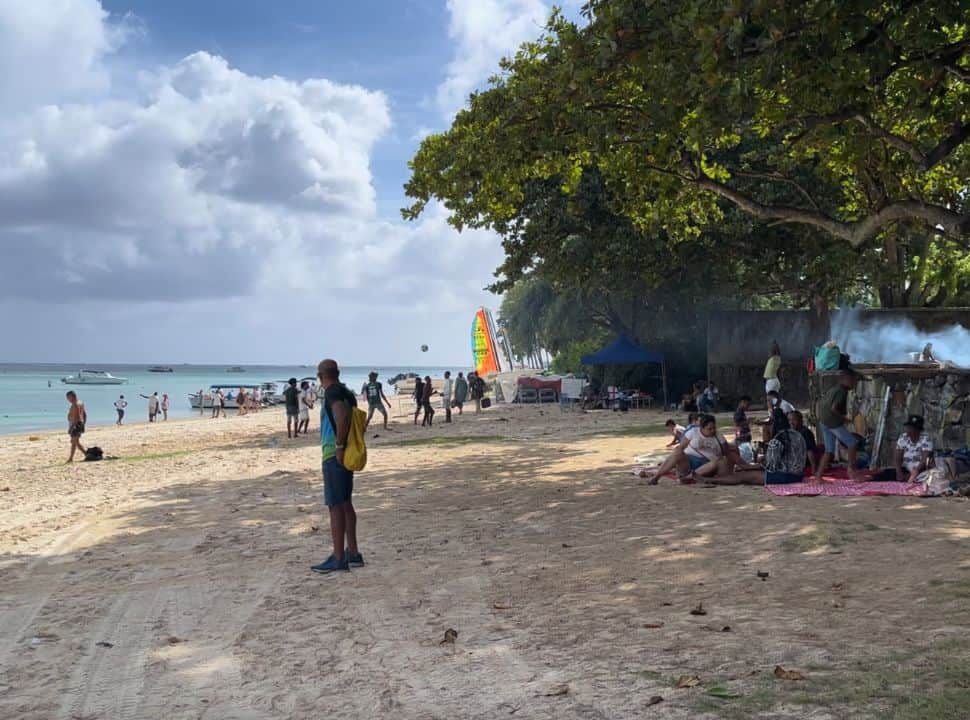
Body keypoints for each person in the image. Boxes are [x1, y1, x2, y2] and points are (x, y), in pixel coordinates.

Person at [311, 358, 363, 574]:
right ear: (338, 372)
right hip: (347, 451)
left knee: (335, 506)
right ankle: (353, 553)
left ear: (320, 376)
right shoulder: (347, 392)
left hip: (334, 454)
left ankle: (339, 557)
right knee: (345, 503)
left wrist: (339, 446)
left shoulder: (332, 393)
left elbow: (341, 417)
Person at [814, 369, 860, 482]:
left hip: (823, 421)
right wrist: (845, 419)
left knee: (829, 450)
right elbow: (834, 408)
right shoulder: (842, 391)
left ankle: (818, 476)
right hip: (832, 422)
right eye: (853, 381)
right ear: (845, 380)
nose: (854, 384)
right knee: (852, 443)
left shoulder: (833, 389)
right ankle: (852, 472)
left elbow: (821, 404)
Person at [895, 414, 934, 483]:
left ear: (918, 430)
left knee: (925, 478)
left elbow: (924, 460)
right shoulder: (903, 438)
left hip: (921, 470)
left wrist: (912, 474)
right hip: (906, 469)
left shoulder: (926, 439)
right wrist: (899, 472)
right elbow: (898, 457)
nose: (909, 429)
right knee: (886, 474)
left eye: (912, 428)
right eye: (908, 427)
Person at [789, 410, 819, 476]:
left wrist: (814, 468)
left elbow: (810, 451)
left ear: (800, 421)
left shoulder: (805, 433)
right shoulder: (793, 432)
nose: (791, 422)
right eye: (789, 420)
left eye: (794, 420)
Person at [66, 390, 87, 463]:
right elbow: (84, 414)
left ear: (72, 396)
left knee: (74, 442)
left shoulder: (75, 404)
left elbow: (77, 416)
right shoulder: (80, 402)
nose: (67, 400)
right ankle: (86, 454)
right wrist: (84, 423)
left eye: (68, 398)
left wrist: (71, 428)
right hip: (79, 423)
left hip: (75, 424)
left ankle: (71, 458)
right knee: (75, 442)